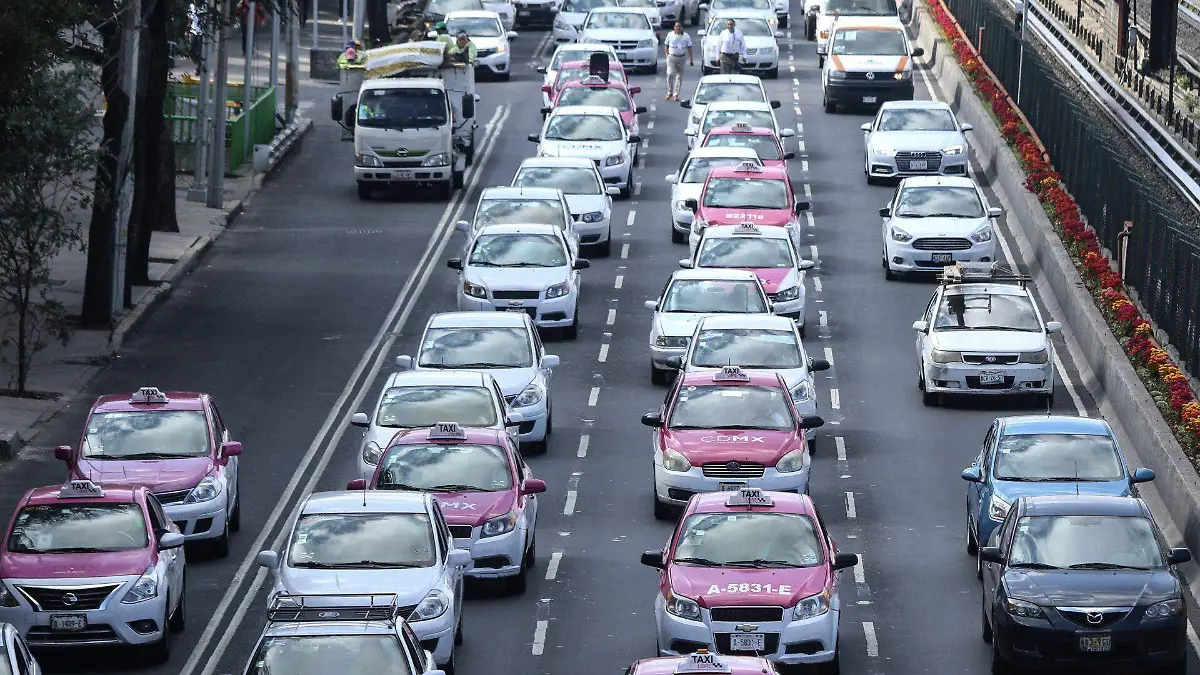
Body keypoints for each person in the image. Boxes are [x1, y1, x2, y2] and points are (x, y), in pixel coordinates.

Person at [664, 22, 693, 101]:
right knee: (670, 74)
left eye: (679, 27)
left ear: (681, 27)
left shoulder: (686, 36)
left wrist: (691, 59)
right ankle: (670, 92)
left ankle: (675, 94)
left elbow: (690, 47)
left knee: (679, 77)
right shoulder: (670, 35)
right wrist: (667, 55)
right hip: (672, 57)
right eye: (676, 26)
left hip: (682, 58)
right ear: (674, 27)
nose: (678, 28)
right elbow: (666, 45)